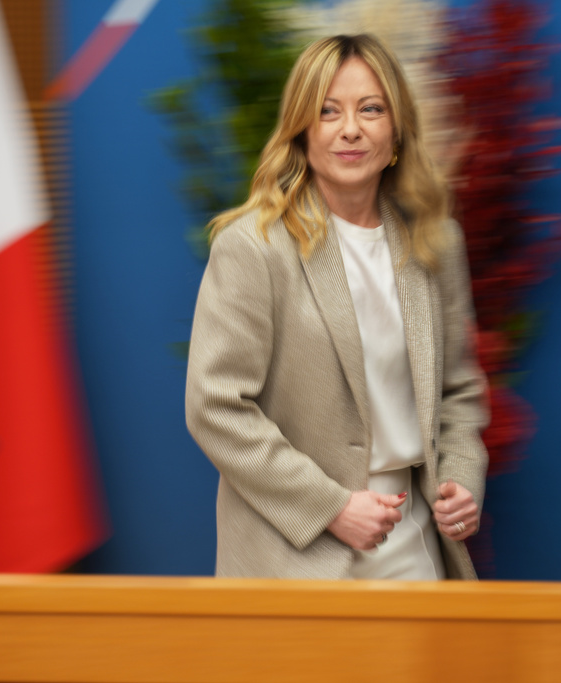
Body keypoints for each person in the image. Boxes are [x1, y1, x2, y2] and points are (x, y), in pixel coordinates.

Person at [185, 34, 488, 580]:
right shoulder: (252, 246)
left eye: (370, 109)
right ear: (302, 131)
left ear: (395, 131)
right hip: (293, 551)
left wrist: (463, 478)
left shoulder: (434, 243)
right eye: (328, 111)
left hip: (414, 546)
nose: (350, 128)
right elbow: (216, 407)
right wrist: (331, 507)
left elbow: (459, 391)